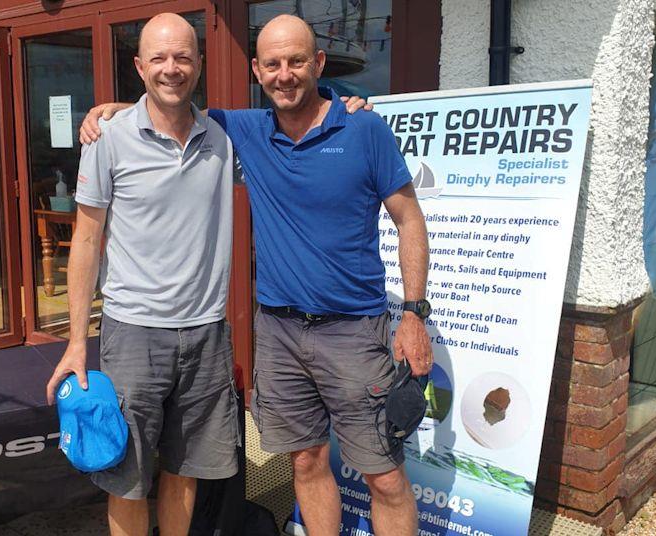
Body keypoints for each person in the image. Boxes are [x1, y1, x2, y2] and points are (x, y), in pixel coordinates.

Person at [81, 14, 434, 536]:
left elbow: (410, 220)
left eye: (296, 61)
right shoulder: (242, 128)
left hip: (354, 332)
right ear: (257, 70)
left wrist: (412, 312)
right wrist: (110, 111)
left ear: (317, 64)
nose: (284, 74)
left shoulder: (364, 129)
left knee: (384, 475)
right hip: (279, 334)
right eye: (272, 64)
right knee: (306, 463)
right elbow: (168, 106)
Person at [45, 14, 239, 536]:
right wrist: (75, 343)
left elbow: (294, 118)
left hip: (207, 334)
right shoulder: (108, 137)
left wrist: (349, 105)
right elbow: (85, 242)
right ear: (138, 66)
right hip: (132, 334)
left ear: (199, 64)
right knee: (126, 478)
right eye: (158, 58)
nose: (171, 68)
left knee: (184, 470)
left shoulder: (222, 139)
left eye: (182, 57)